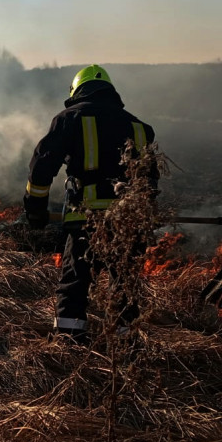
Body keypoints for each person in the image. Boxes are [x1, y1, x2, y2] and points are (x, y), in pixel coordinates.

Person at [24, 65, 157, 342]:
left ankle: (69, 346)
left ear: (76, 91)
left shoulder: (70, 118)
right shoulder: (139, 127)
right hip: (129, 222)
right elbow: (150, 182)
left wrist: (35, 210)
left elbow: (41, 168)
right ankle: (125, 349)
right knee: (125, 287)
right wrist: (145, 218)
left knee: (75, 284)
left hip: (86, 220)